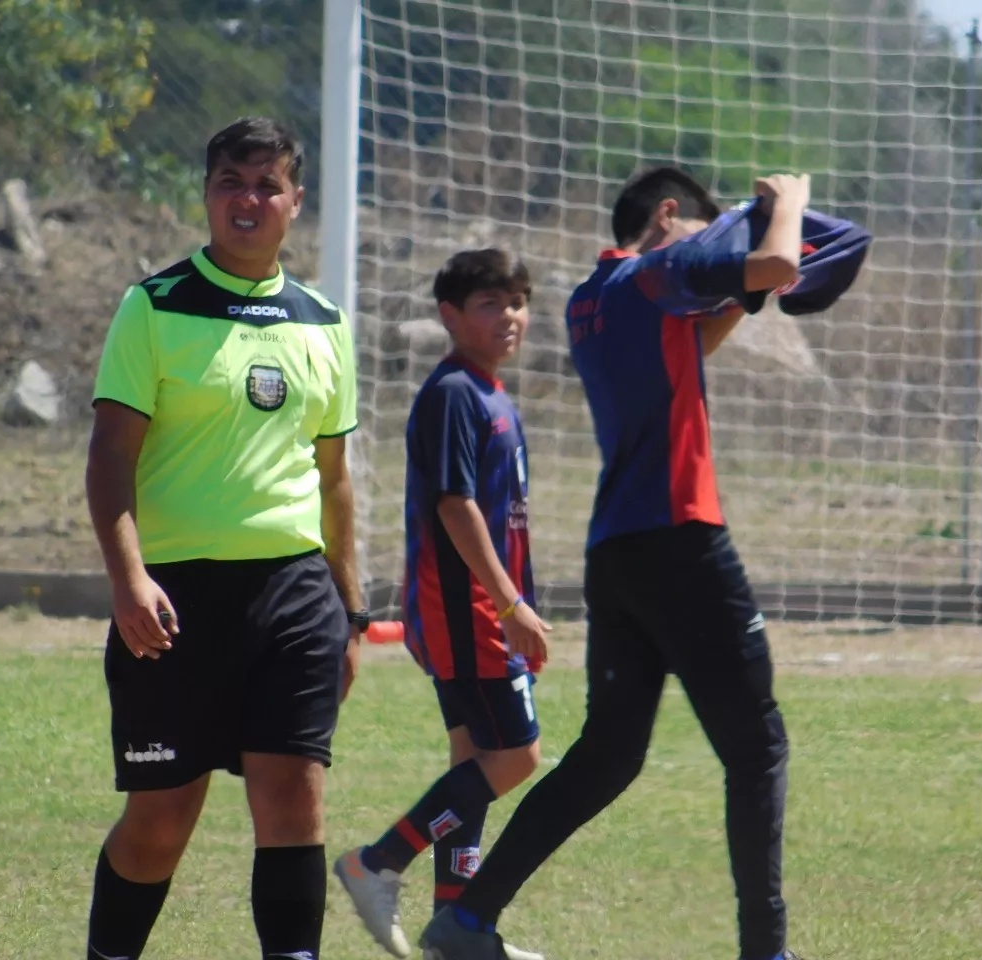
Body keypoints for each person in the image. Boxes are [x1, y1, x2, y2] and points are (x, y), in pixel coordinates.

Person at [417, 167, 871, 960]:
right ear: (667, 217)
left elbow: (703, 331)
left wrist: (740, 291)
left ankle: (467, 918)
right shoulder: (659, 271)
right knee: (757, 745)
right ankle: (767, 950)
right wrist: (786, 201)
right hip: (682, 542)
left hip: (617, 555)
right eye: (699, 228)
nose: (707, 243)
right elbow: (774, 267)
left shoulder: (596, 299)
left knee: (609, 755)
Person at [83, 116, 369, 960]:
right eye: (231, 184)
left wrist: (349, 611)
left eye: (266, 185)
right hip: (172, 599)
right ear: (207, 195)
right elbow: (109, 459)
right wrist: (129, 580)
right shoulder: (155, 306)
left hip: (294, 595)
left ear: (295, 200)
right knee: (162, 816)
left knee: (294, 801)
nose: (248, 200)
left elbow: (335, 479)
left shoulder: (323, 322)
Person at [334, 249, 550, 960]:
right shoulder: (456, 392)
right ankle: (377, 863)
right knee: (516, 758)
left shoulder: (489, 391)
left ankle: (456, 931)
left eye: (517, 301)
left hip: (477, 613)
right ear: (449, 315)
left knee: (474, 766)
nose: (509, 316)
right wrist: (510, 602)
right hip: (469, 616)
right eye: (490, 303)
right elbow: (454, 507)